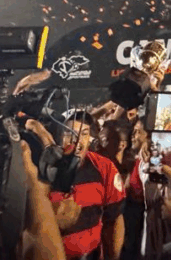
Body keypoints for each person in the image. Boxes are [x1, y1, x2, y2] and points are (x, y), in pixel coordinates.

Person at [29, 111, 126, 260]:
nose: (77, 140)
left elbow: (114, 218)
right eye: (69, 133)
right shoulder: (42, 168)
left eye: (84, 134)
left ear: (90, 139)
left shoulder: (104, 167)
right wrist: (51, 220)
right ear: (59, 136)